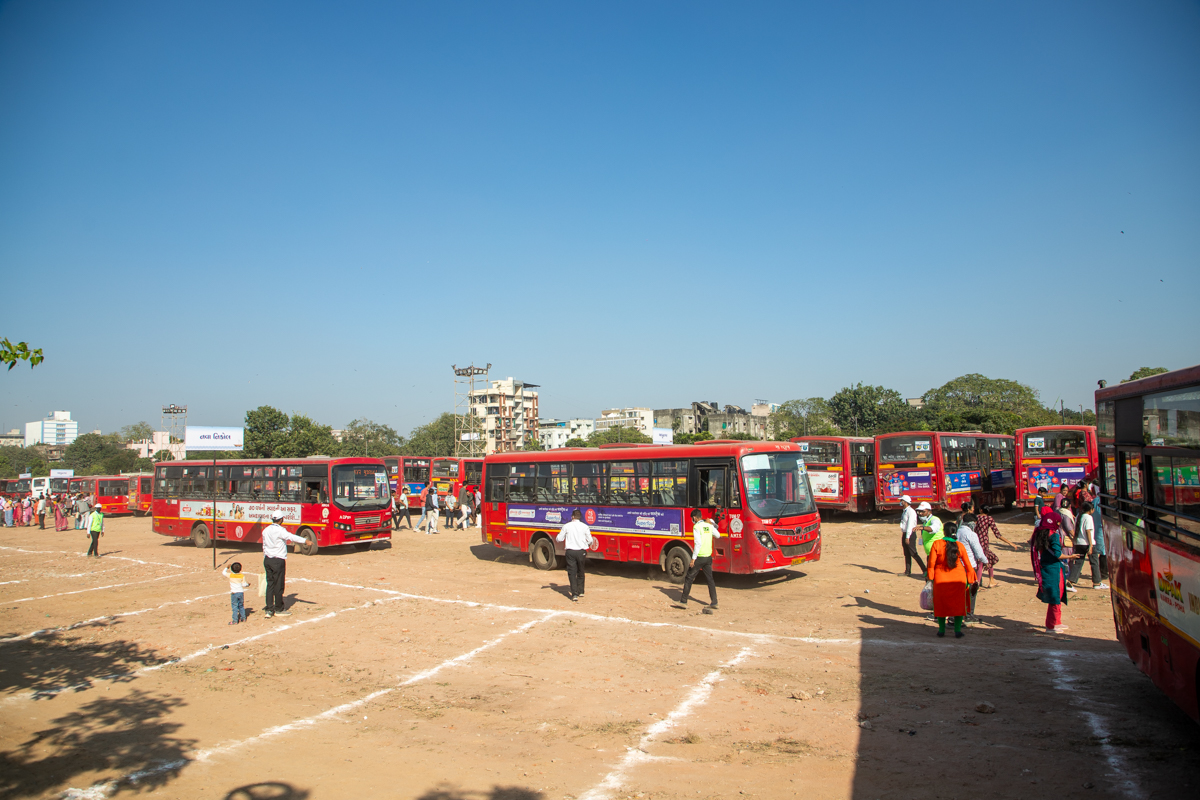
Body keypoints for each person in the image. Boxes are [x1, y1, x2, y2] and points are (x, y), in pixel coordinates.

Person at [927, 522, 976, 638]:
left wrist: (930, 577)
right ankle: (957, 630)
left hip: (941, 578)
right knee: (958, 604)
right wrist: (971, 579)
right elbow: (968, 565)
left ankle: (941, 630)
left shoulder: (937, 544)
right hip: (958, 579)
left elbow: (931, 563)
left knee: (941, 604)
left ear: (944, 532)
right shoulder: (959, 545)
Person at [1035, 509, 1078, 633]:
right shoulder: (1054, 535)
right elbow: (1058, 555)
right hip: (1054, 568)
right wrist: (1071, 557)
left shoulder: (1041, 533)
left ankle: (1056, 622)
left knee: (1055, 595)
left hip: (1046, 567)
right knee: (1055, 595)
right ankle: (1051, 625)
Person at [261, 511, 307, 619]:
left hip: (267, 559)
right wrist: (305, 540)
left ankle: (269, 609)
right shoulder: (280, 530)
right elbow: (291, 537)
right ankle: (278, 608)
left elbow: (264, 545)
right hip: (278, 560)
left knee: (270, 584)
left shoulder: (266, 530)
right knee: (278, 585)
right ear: (281, 519)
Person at [677, 508, 721, 611]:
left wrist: (693, 559)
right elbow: (718, 535)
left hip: (700, 557)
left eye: (693, 518)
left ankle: (683, 601)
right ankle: (714, 602)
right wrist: (713, 524)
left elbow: (698, 544)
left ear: (694, 518)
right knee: (710, 580)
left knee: (689, 578)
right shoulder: (709, 526)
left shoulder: (697, 527)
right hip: (708, 557)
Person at [964, 501, 1015, 588]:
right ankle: (978, 584)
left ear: (980, 510)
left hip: (974, 541)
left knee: (987, 560)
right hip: (984, 542)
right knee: (982, 562)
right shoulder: (989, 519)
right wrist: (1010, 543)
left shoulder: (975, 518)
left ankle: (991, 580)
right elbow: (997, 534)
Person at [555, 509, 595, 601]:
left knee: (572, 573)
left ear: (572, 517)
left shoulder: (567, 526)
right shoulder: (585, 526)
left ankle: (574, 594)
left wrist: (558, 536)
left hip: (570, 552)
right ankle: (581, 591)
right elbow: (590, 540)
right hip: (581, 551)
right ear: (580, 517)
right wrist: (586, 545)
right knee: (581, 571)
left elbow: (559, 539)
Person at [952, 512, 986, 618]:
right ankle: (969, 613)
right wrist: (986, 562)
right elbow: (979, 553)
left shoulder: (956, 532)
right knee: (971, 590)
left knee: (958, 591)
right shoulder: (971, 534)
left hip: (956, 566)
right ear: (972, 523)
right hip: (969, 566)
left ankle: (956, 613)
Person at [1069, 501, 1108, 590]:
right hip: (1087, 543)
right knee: (1094, 563)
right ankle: (1097, 583)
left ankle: (1070, 581)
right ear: (1091, 509)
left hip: (1079, 543)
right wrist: (1090, 545)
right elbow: (1088, 531)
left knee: (1078, 563)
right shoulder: (1089, 517)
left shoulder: (1079, 516)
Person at [898, 495, 925, 576]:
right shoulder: (905, 511)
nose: (901, 502)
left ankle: (924, 569)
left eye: (902, 500)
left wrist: (907, 537)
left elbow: (910, 525)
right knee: (906, 553)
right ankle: (907, 571)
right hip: (905, 533)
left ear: (905, 502)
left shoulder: (911, 512)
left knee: (913, 552)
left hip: (910, 534)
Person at [1058, 503, 1077, 593]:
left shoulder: (1058, 512)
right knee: (1067, 559)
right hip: (1066, 539)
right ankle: (1066, 580)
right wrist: (1074, 538)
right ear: (1069, 506)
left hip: (1060, 537)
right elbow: (1069, 528)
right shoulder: (1066, 514)